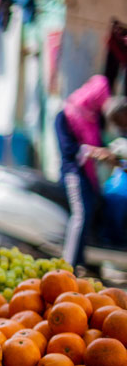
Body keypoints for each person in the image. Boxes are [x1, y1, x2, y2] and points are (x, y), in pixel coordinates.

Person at [57, 76, 127, 267]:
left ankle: (89, 264)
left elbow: (102, 146)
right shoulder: (65, 115)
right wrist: (91, 152)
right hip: (74, 174)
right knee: (82, 213)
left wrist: (110, 156)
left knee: (99, 208)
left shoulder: (91, 119)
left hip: (88, 175)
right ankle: (68, 266)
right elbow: (69, 150)